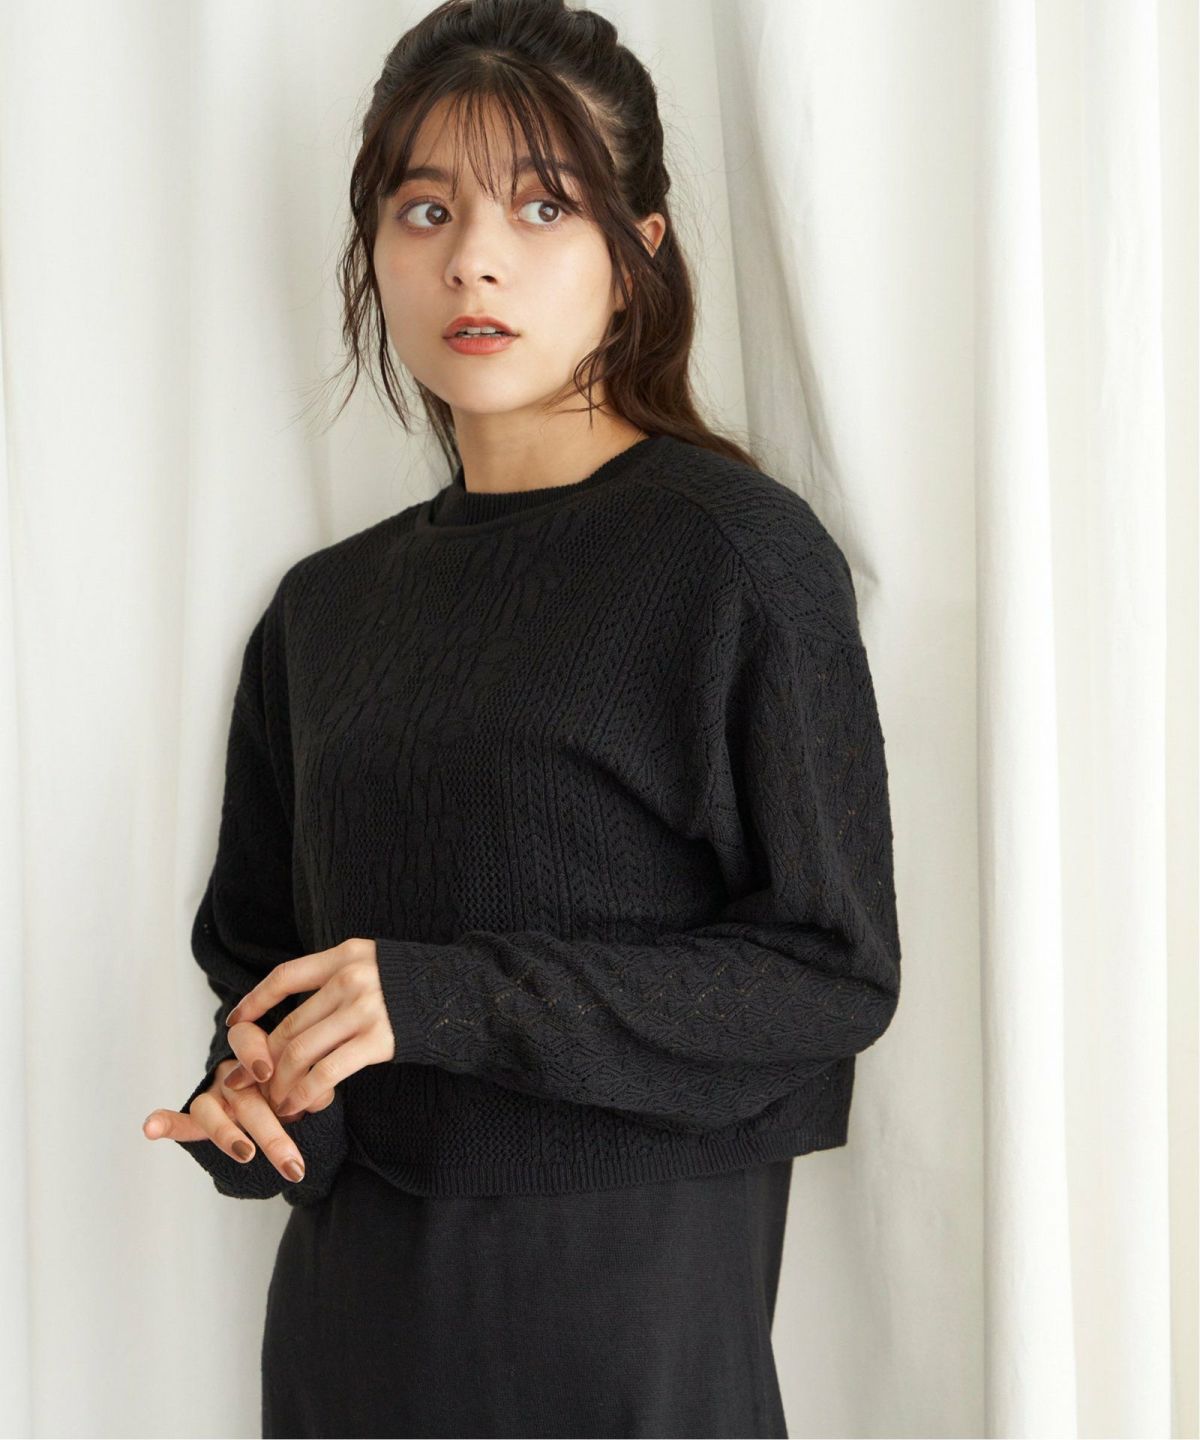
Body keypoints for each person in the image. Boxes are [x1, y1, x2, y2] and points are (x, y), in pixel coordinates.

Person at [141, 2, 903, 1435]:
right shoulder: (323, 610)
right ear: (374, 248)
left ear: (637, 254)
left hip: (623, 1326)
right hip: (351, 1332)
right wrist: (257, 1104)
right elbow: (266, 975)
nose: (473, 259)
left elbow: (830, 975)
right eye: (425, 209)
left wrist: (444, 998)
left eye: (543, 207)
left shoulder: (732, 557)